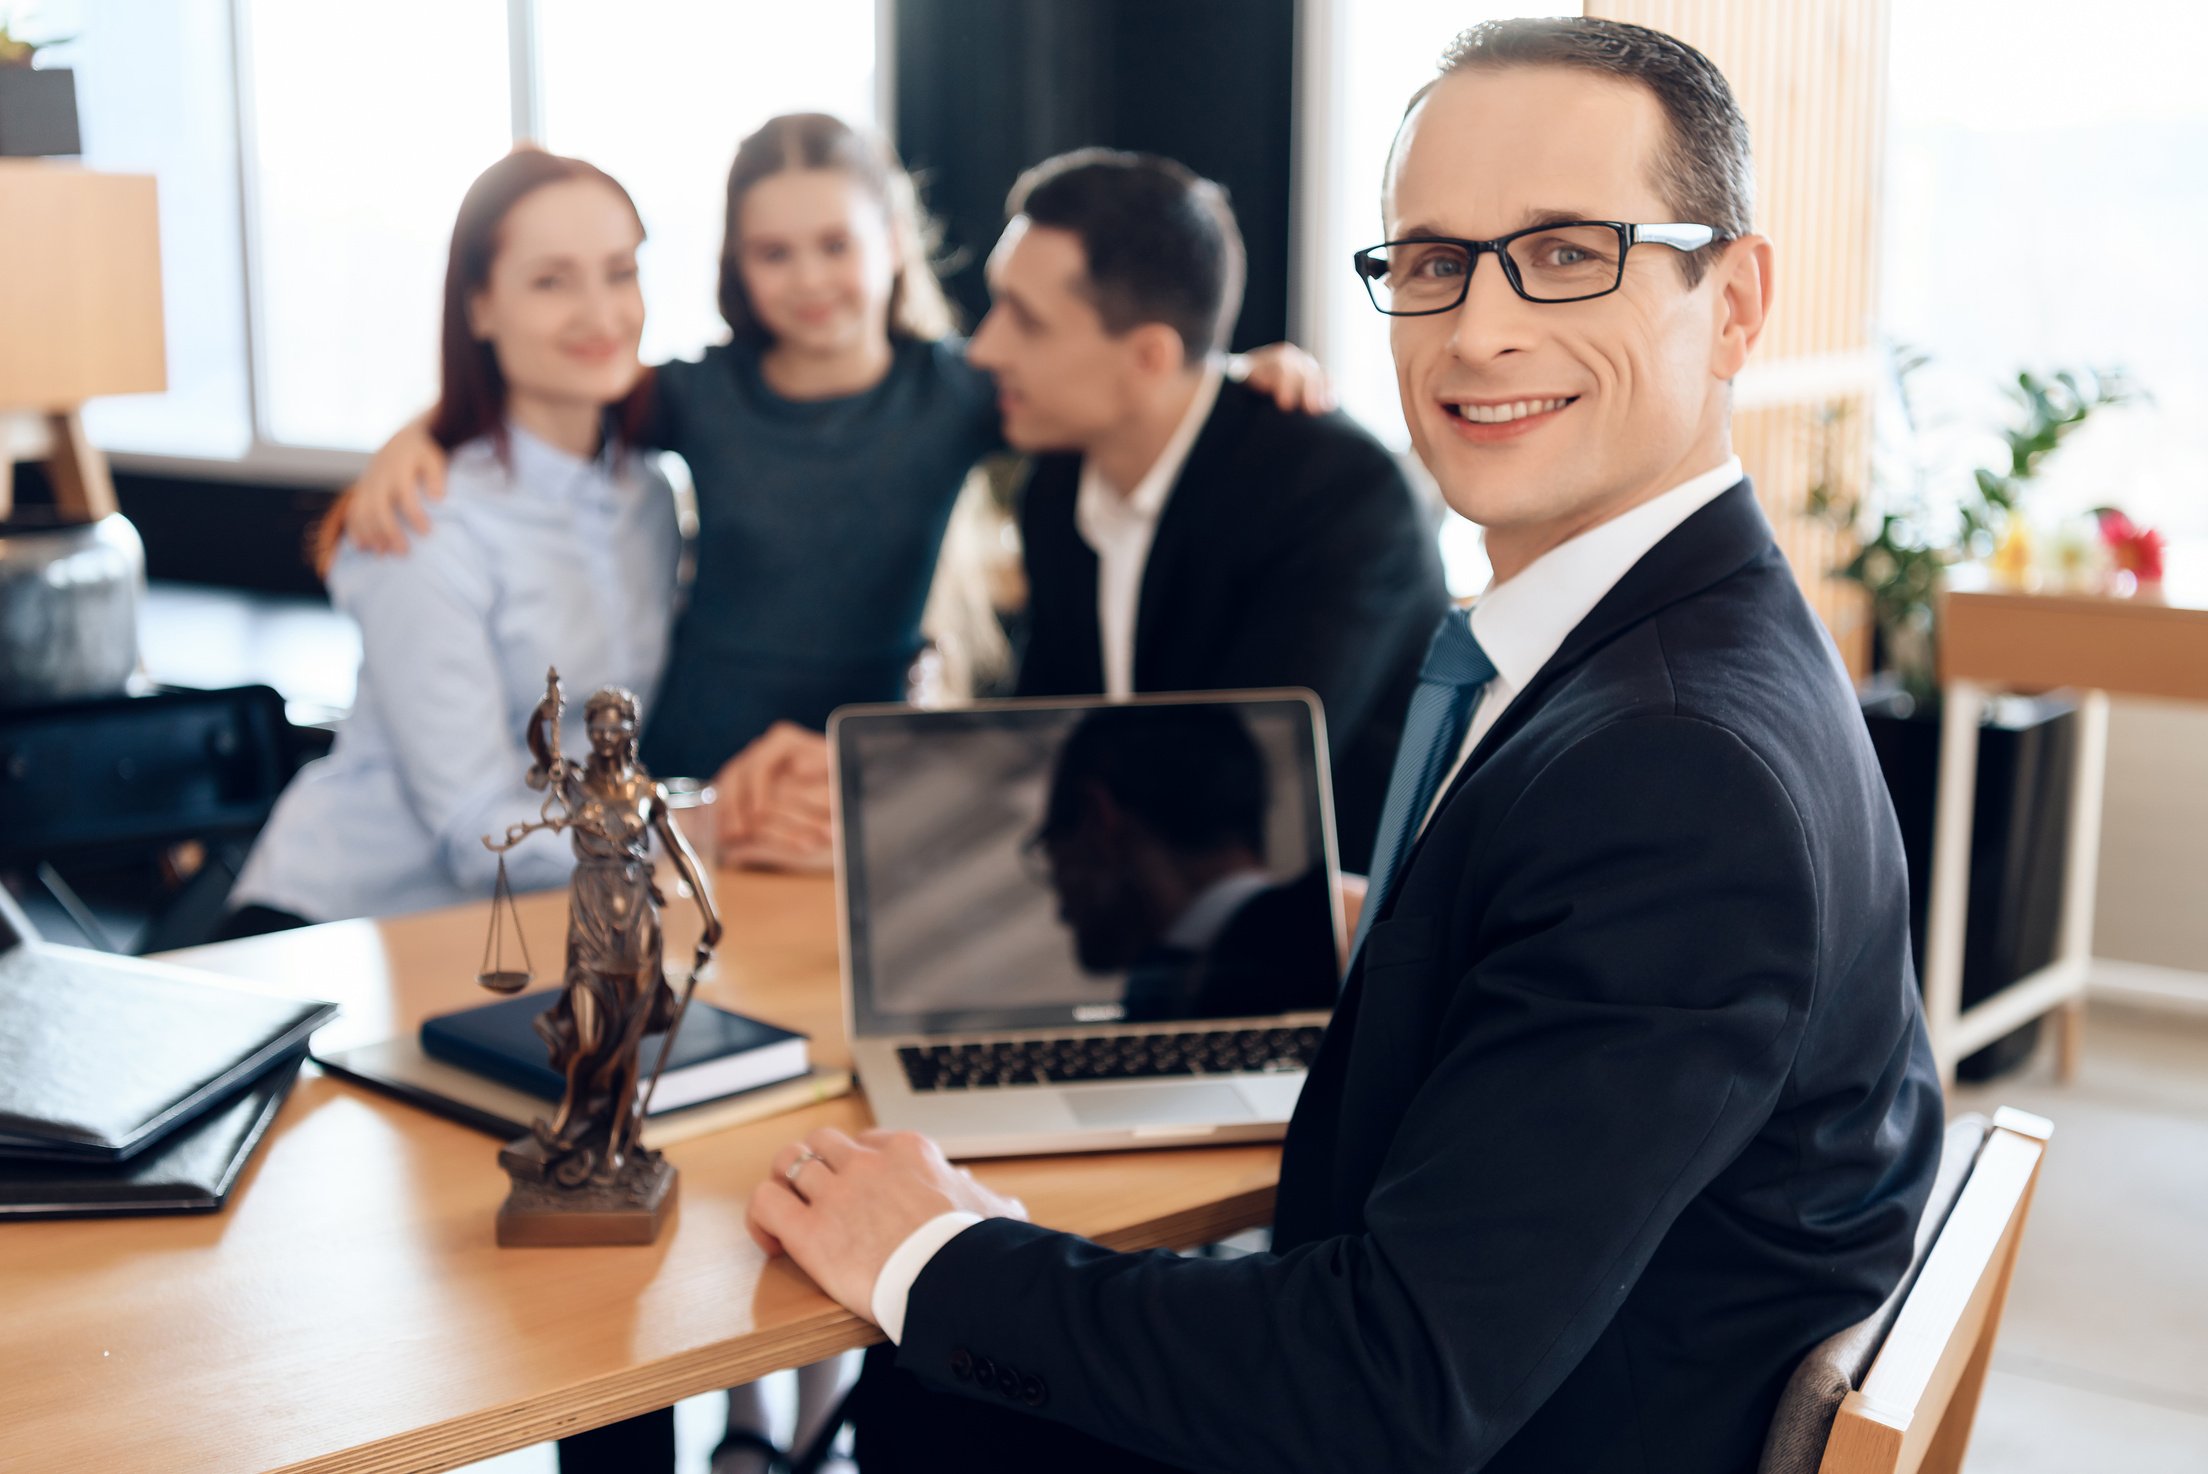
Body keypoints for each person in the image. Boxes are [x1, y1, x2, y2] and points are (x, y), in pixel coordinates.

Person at [744, 19, 1946, 1474]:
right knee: (930, 1387)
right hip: (1550, 1373)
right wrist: (1394, 926)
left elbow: (1388, 1385)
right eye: (1433, 261)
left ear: (1736, 301)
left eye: (1569, 251)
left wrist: (934, 1253)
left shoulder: (1680, 775)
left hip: (1480, 1429)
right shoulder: (1680, 641)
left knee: (925, 1368)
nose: (1479, 329)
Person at [340, 115, 1333, 874]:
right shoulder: (697, 395)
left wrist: (1246, 369)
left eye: (836, 245)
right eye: (774, 254)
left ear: (893, 240)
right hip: (697, 772)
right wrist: (419, 433)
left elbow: (1115, 374)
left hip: (852, 776)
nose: (809, 278)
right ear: (738, 264)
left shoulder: (957, 392)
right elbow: (550, 390)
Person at [721, 150, 1450, 876]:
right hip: (1120, 919)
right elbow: (1045, 735)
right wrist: (862, 778)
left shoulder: (1342, 499)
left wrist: (896, 813)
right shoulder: (1061, 480)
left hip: (1320, 952)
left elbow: (1225, 790)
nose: (984, 350)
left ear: (1149, 358)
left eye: (1026, 321)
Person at [222, 147, 679, 935]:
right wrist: (689, 838)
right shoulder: (426, 518)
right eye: (550, 280)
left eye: (620, 272)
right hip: (340, 933)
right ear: (478, 308)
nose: (602, 313)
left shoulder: (653, 495)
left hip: (540, 924)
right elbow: (475, 827)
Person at [1026, 703, 1335, 1022]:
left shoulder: (1347, 941)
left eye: (1051, 849)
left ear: (1098, 821)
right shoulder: (1346, 930)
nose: (1061, 913)